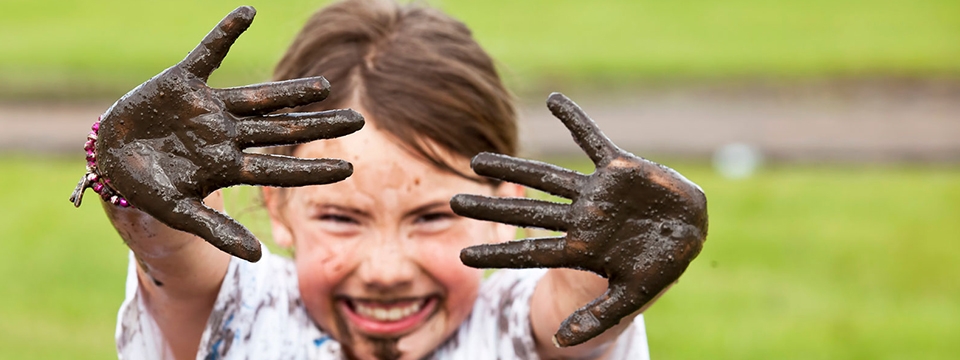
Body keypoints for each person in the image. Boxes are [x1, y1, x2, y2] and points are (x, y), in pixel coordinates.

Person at [80, 0, 708, 359]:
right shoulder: (240, 311)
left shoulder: (515, 331)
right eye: (340, 217)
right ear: (276, 203)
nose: (385, 270)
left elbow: (579, 309)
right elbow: (171, 256)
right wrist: (136, 189)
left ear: (506, 208)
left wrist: (629, 255)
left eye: (432, 216)